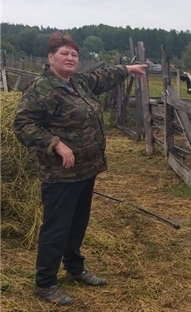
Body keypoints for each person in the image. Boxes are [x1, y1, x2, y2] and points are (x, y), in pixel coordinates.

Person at [13, 32, 147, 305]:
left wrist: (128, 69)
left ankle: (74, 268)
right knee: (56, 227)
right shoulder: (41, 89)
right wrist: (56, 144)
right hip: (60, 173)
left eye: (74, 54)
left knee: (77, 222)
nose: (71, 58)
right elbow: (22, 124)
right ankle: (45, 283)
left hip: (86, 170)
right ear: (51, 58)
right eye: (64, 53)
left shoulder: (78, 83)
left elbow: (104, 76)